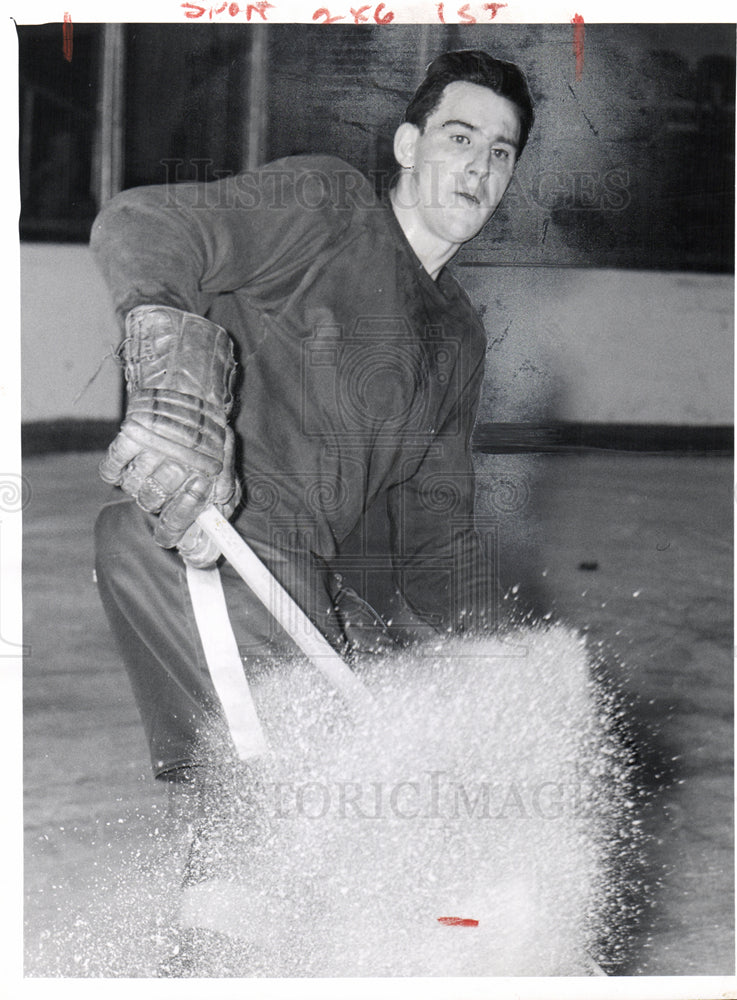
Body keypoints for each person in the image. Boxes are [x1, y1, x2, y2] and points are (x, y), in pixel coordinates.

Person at [91, 48, 534, 973]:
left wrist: (496, 670)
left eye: (502, 151)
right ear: (409, 144)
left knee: (279, 821)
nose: (480, 167)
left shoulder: (455, 337)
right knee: (289, 792)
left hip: (304, 589)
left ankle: (215, 967)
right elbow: (143, 221)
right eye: (461, 137)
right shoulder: (330, 209)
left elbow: (436, 536)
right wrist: (169, 356)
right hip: (206, 542)